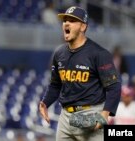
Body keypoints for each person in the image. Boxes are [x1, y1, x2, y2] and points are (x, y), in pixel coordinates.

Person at [38, 6, 121, 141]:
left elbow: (114, 87)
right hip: (65, 117)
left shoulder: (99, 54)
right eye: (65, 20)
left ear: (83, 27)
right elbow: (55, 85)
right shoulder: (59, 54)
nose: (66, 23)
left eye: (72, 20)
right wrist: (45, 102)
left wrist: (105, 114)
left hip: (91, 114)